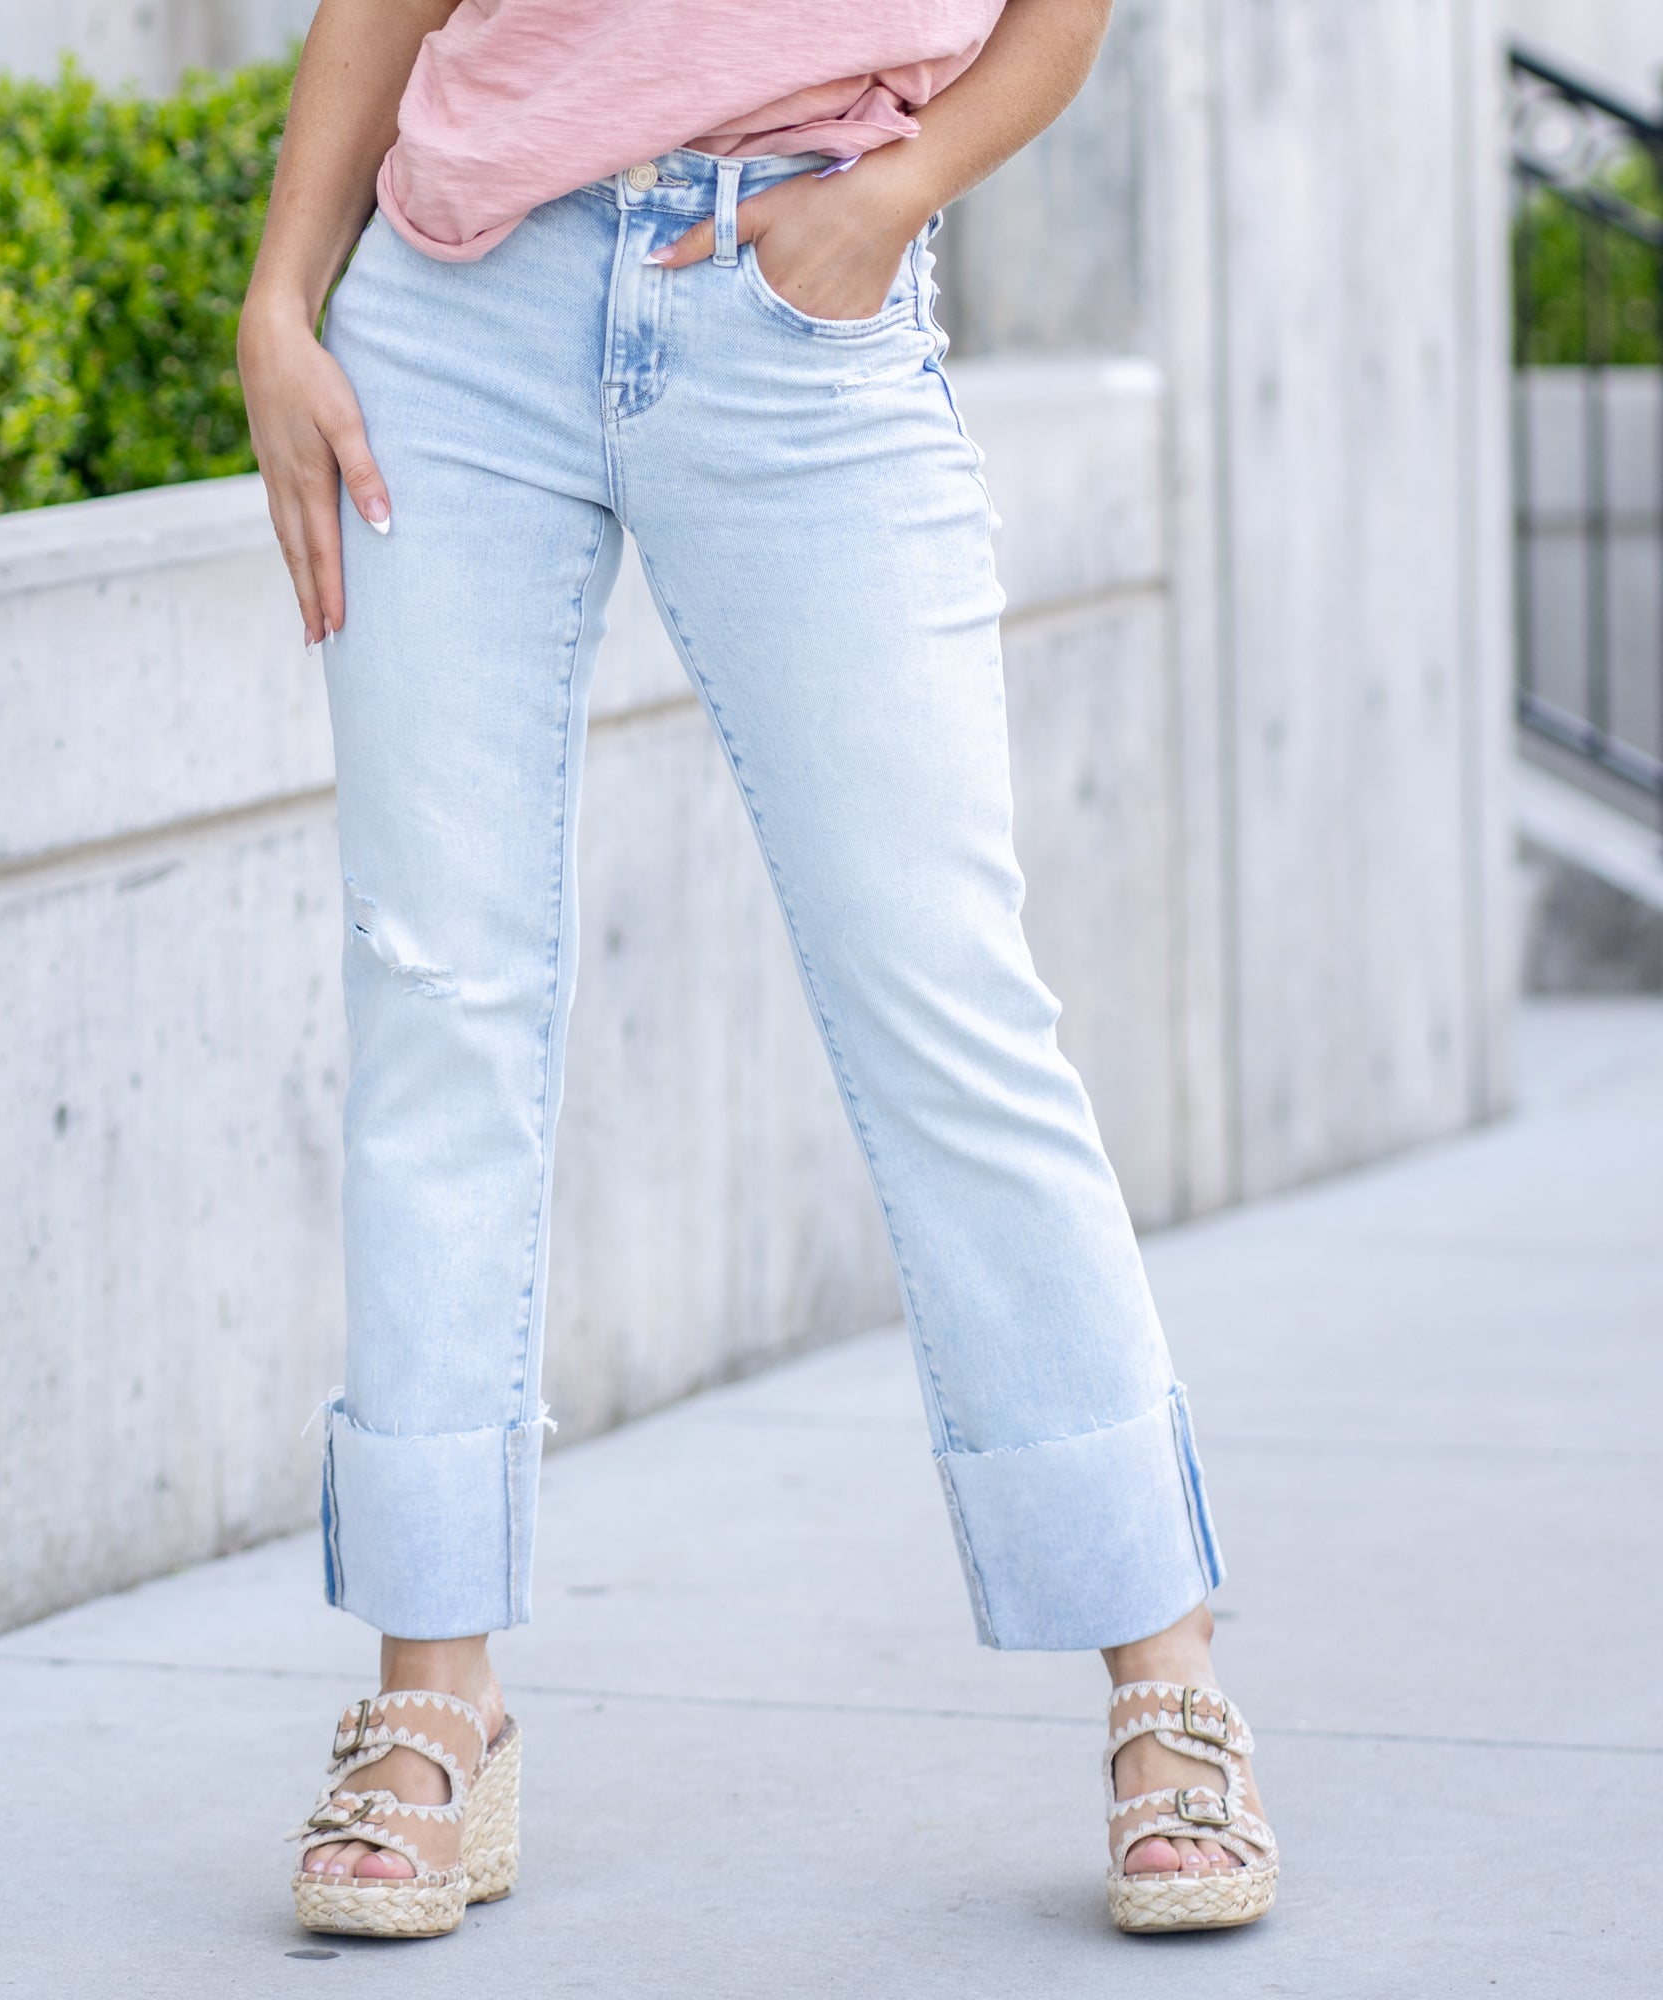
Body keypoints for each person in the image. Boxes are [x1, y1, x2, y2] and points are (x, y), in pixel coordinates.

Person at [237, 0, 1278, 1942]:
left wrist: (896, 193)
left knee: (945, 1001)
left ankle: (1169, 1670)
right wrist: (281, 303)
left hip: (794, 296)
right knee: (438, 997)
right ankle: (430, 1699)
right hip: (456, 317)